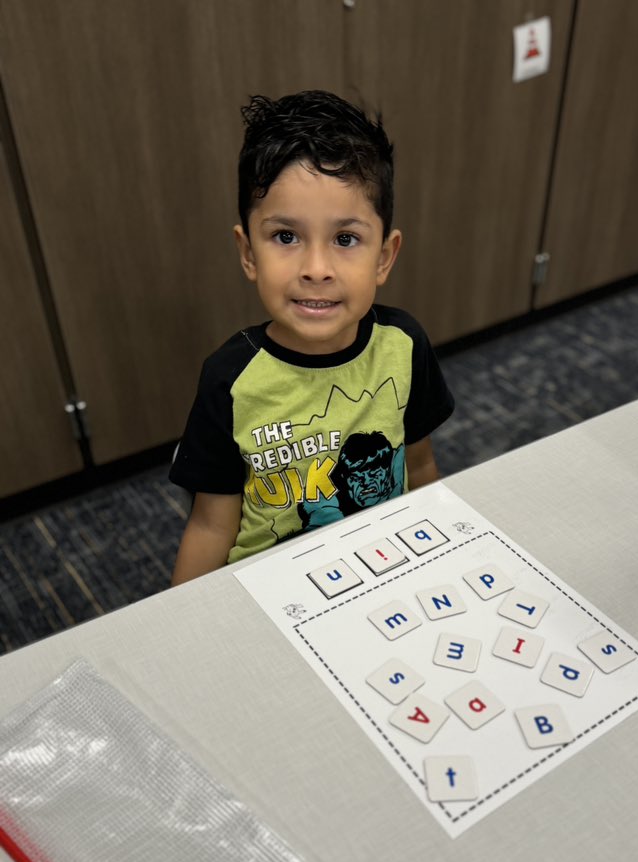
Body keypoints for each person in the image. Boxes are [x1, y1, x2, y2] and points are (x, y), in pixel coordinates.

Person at [169, 90, 454, 584]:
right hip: (272, 587)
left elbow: (422, 469)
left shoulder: (404, 345)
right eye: (285, 237)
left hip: (384, 566)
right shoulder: (229, 380)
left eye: (346, 239)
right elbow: (212, 527)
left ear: (384, 257)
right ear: (248, 252)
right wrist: (174, 627)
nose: (316, 270)